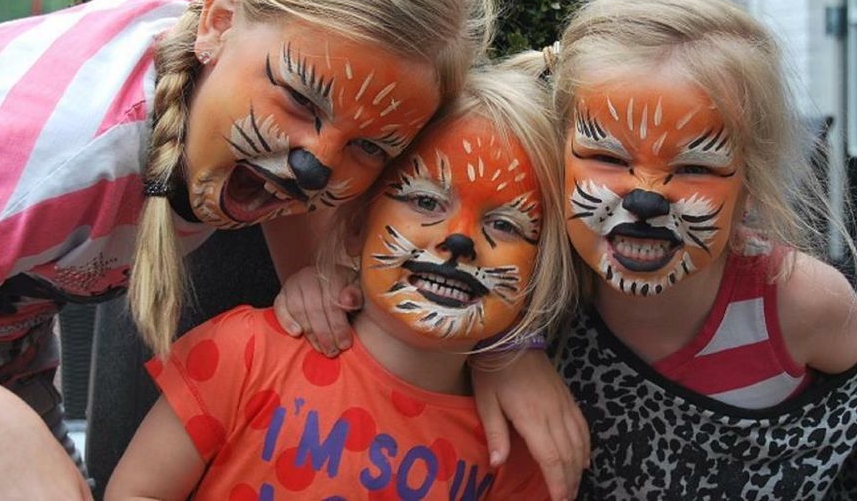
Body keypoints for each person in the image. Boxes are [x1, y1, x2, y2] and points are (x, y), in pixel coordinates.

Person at [0, 0, 495, 500]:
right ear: (217, 21)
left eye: (368, 147)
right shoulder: (55, 159)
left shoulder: (230, 70)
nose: (316, 167)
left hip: (6, 356)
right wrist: (0, 431)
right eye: (299, 100)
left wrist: (307, 272)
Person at [105, 65, 575, 500]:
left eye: (506, 225)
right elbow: (137, 492)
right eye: (426, 202)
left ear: (540, 272)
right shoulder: (243, 352)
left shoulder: (516, 445)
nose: (460, 241)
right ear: (354, 229)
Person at [541, 0, 857, 499]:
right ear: (552, 158)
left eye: (696, 165)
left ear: (750, 187)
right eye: (607, 158)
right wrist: (507, 363)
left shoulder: (795, 300)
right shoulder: (537, 297)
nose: (646, 199)